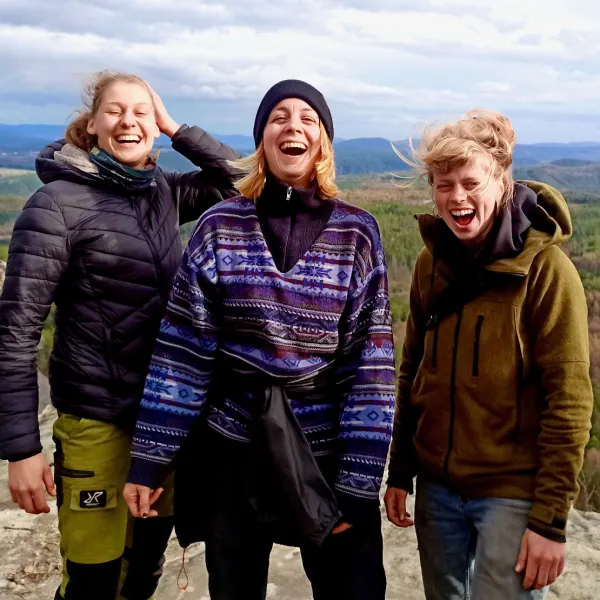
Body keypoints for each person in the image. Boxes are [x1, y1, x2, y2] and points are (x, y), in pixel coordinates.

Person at [123, 79, 396, 600]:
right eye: (278, 117)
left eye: (307, 118)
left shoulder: (356, 232)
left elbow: (372, 368)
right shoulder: (220, 226)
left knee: (353, 589)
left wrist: (359, 487)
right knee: (233, 588)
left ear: (323, 143)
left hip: (325, 453)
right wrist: (151, 459)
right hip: (234, 446)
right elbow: (181, 355)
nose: (293, 125)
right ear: (261, 139)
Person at [0, 70, 241, 600]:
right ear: (90, 124)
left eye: (141, 112)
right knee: (93, 575)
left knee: (146, 562)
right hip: (97, 421)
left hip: (162, 422)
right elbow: (14, 332)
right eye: (114, 111)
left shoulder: (160, 192)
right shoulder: (57, 206)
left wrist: (177, 127)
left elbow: (242, 181)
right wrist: (21, 448)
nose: (128, 122)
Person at [384, 109, 594, 600]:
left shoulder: (546, 272)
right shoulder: (431, 263)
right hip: (437, 486)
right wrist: (401, 471)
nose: (456, 197)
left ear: (502, 181)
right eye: (442, 184)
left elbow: (569, 402)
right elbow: (412, 370)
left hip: (512, 491)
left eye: (470, 182)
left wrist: (550, 521)